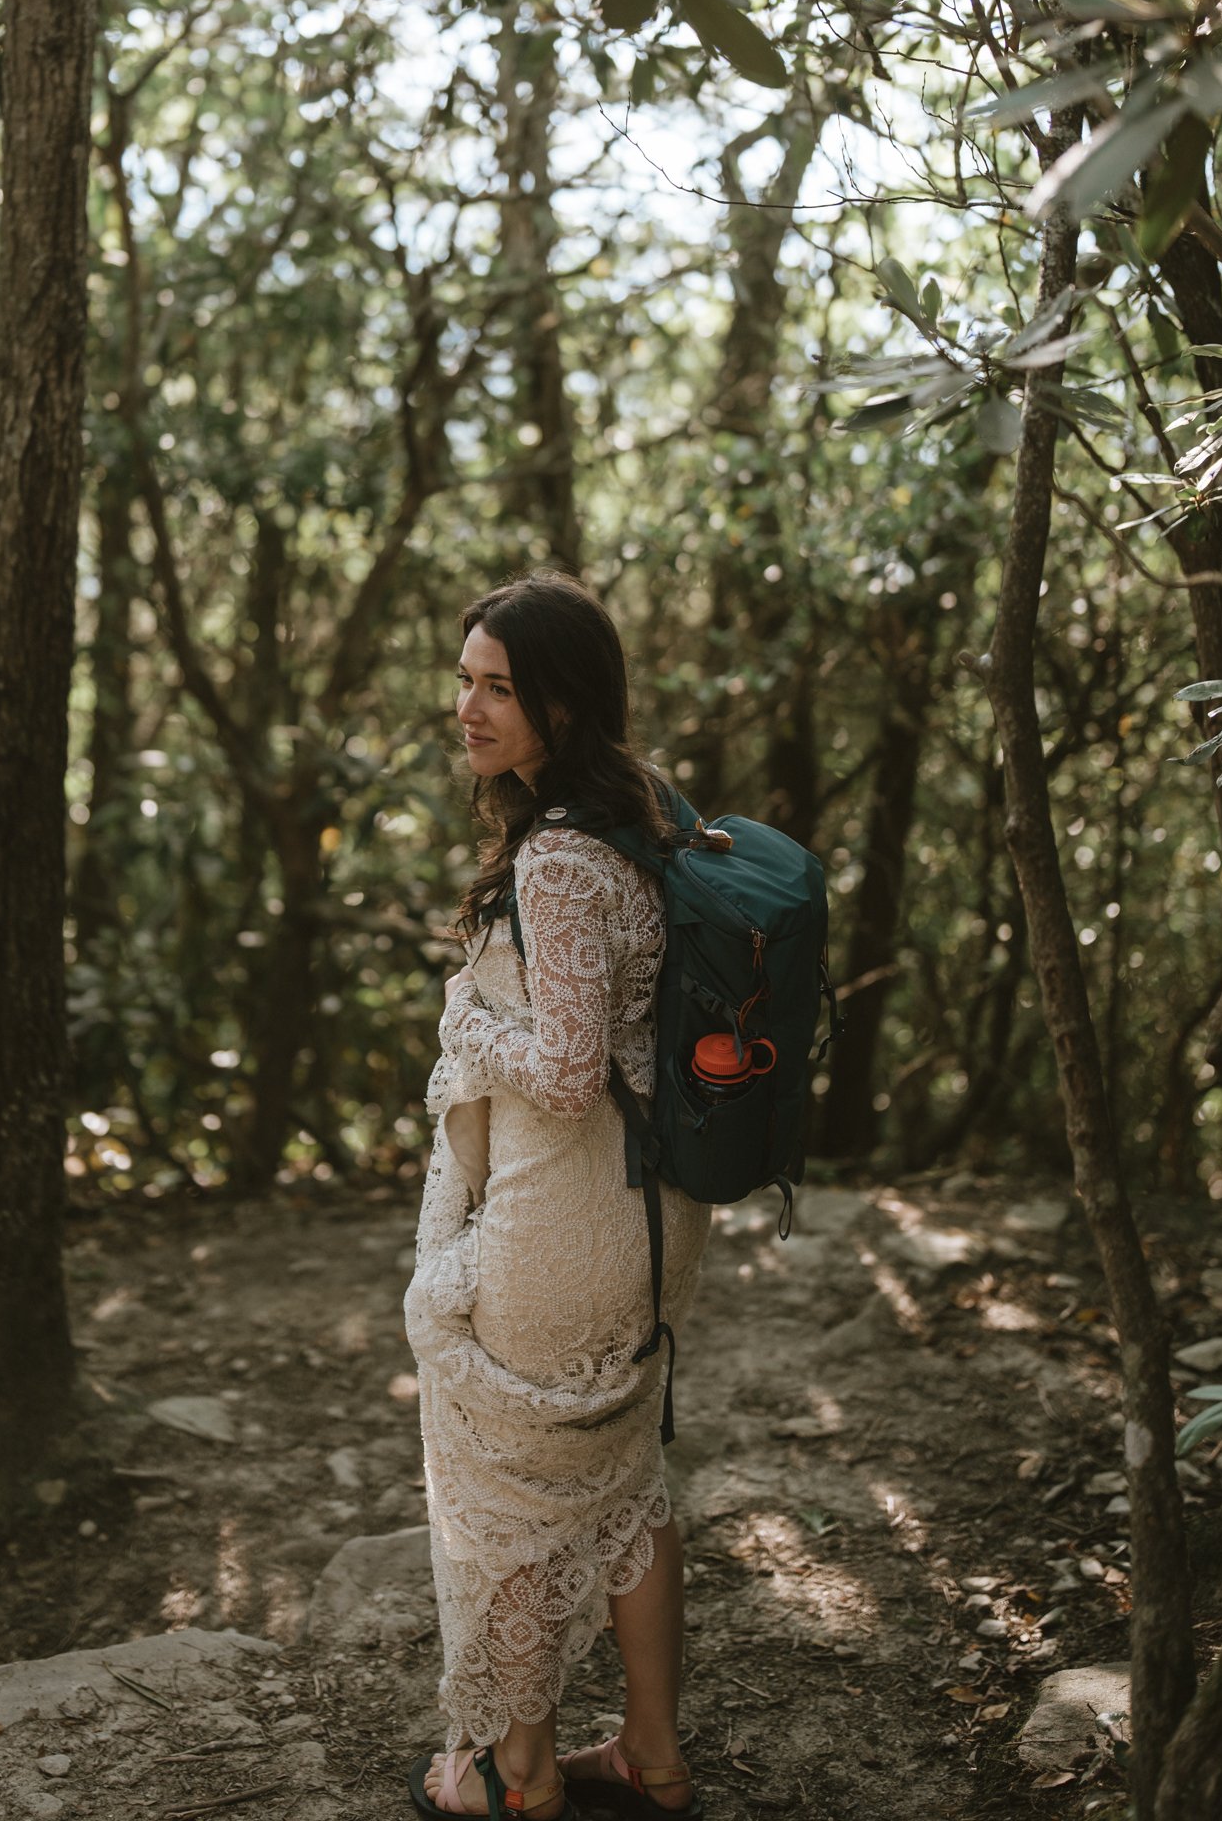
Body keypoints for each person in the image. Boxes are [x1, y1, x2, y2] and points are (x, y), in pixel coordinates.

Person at [407, 573, 709, 1821]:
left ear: (563, 704)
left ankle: (514, 1775)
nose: (468, 707)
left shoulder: (561, 859)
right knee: (622, 1473)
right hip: (651, 1215)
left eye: (499, 688)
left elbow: (572, 1069)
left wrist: (470, 1028)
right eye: (465, 680)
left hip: (566, 1214)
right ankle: (651, 1755)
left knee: (516, 1490)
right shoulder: (645, 821)